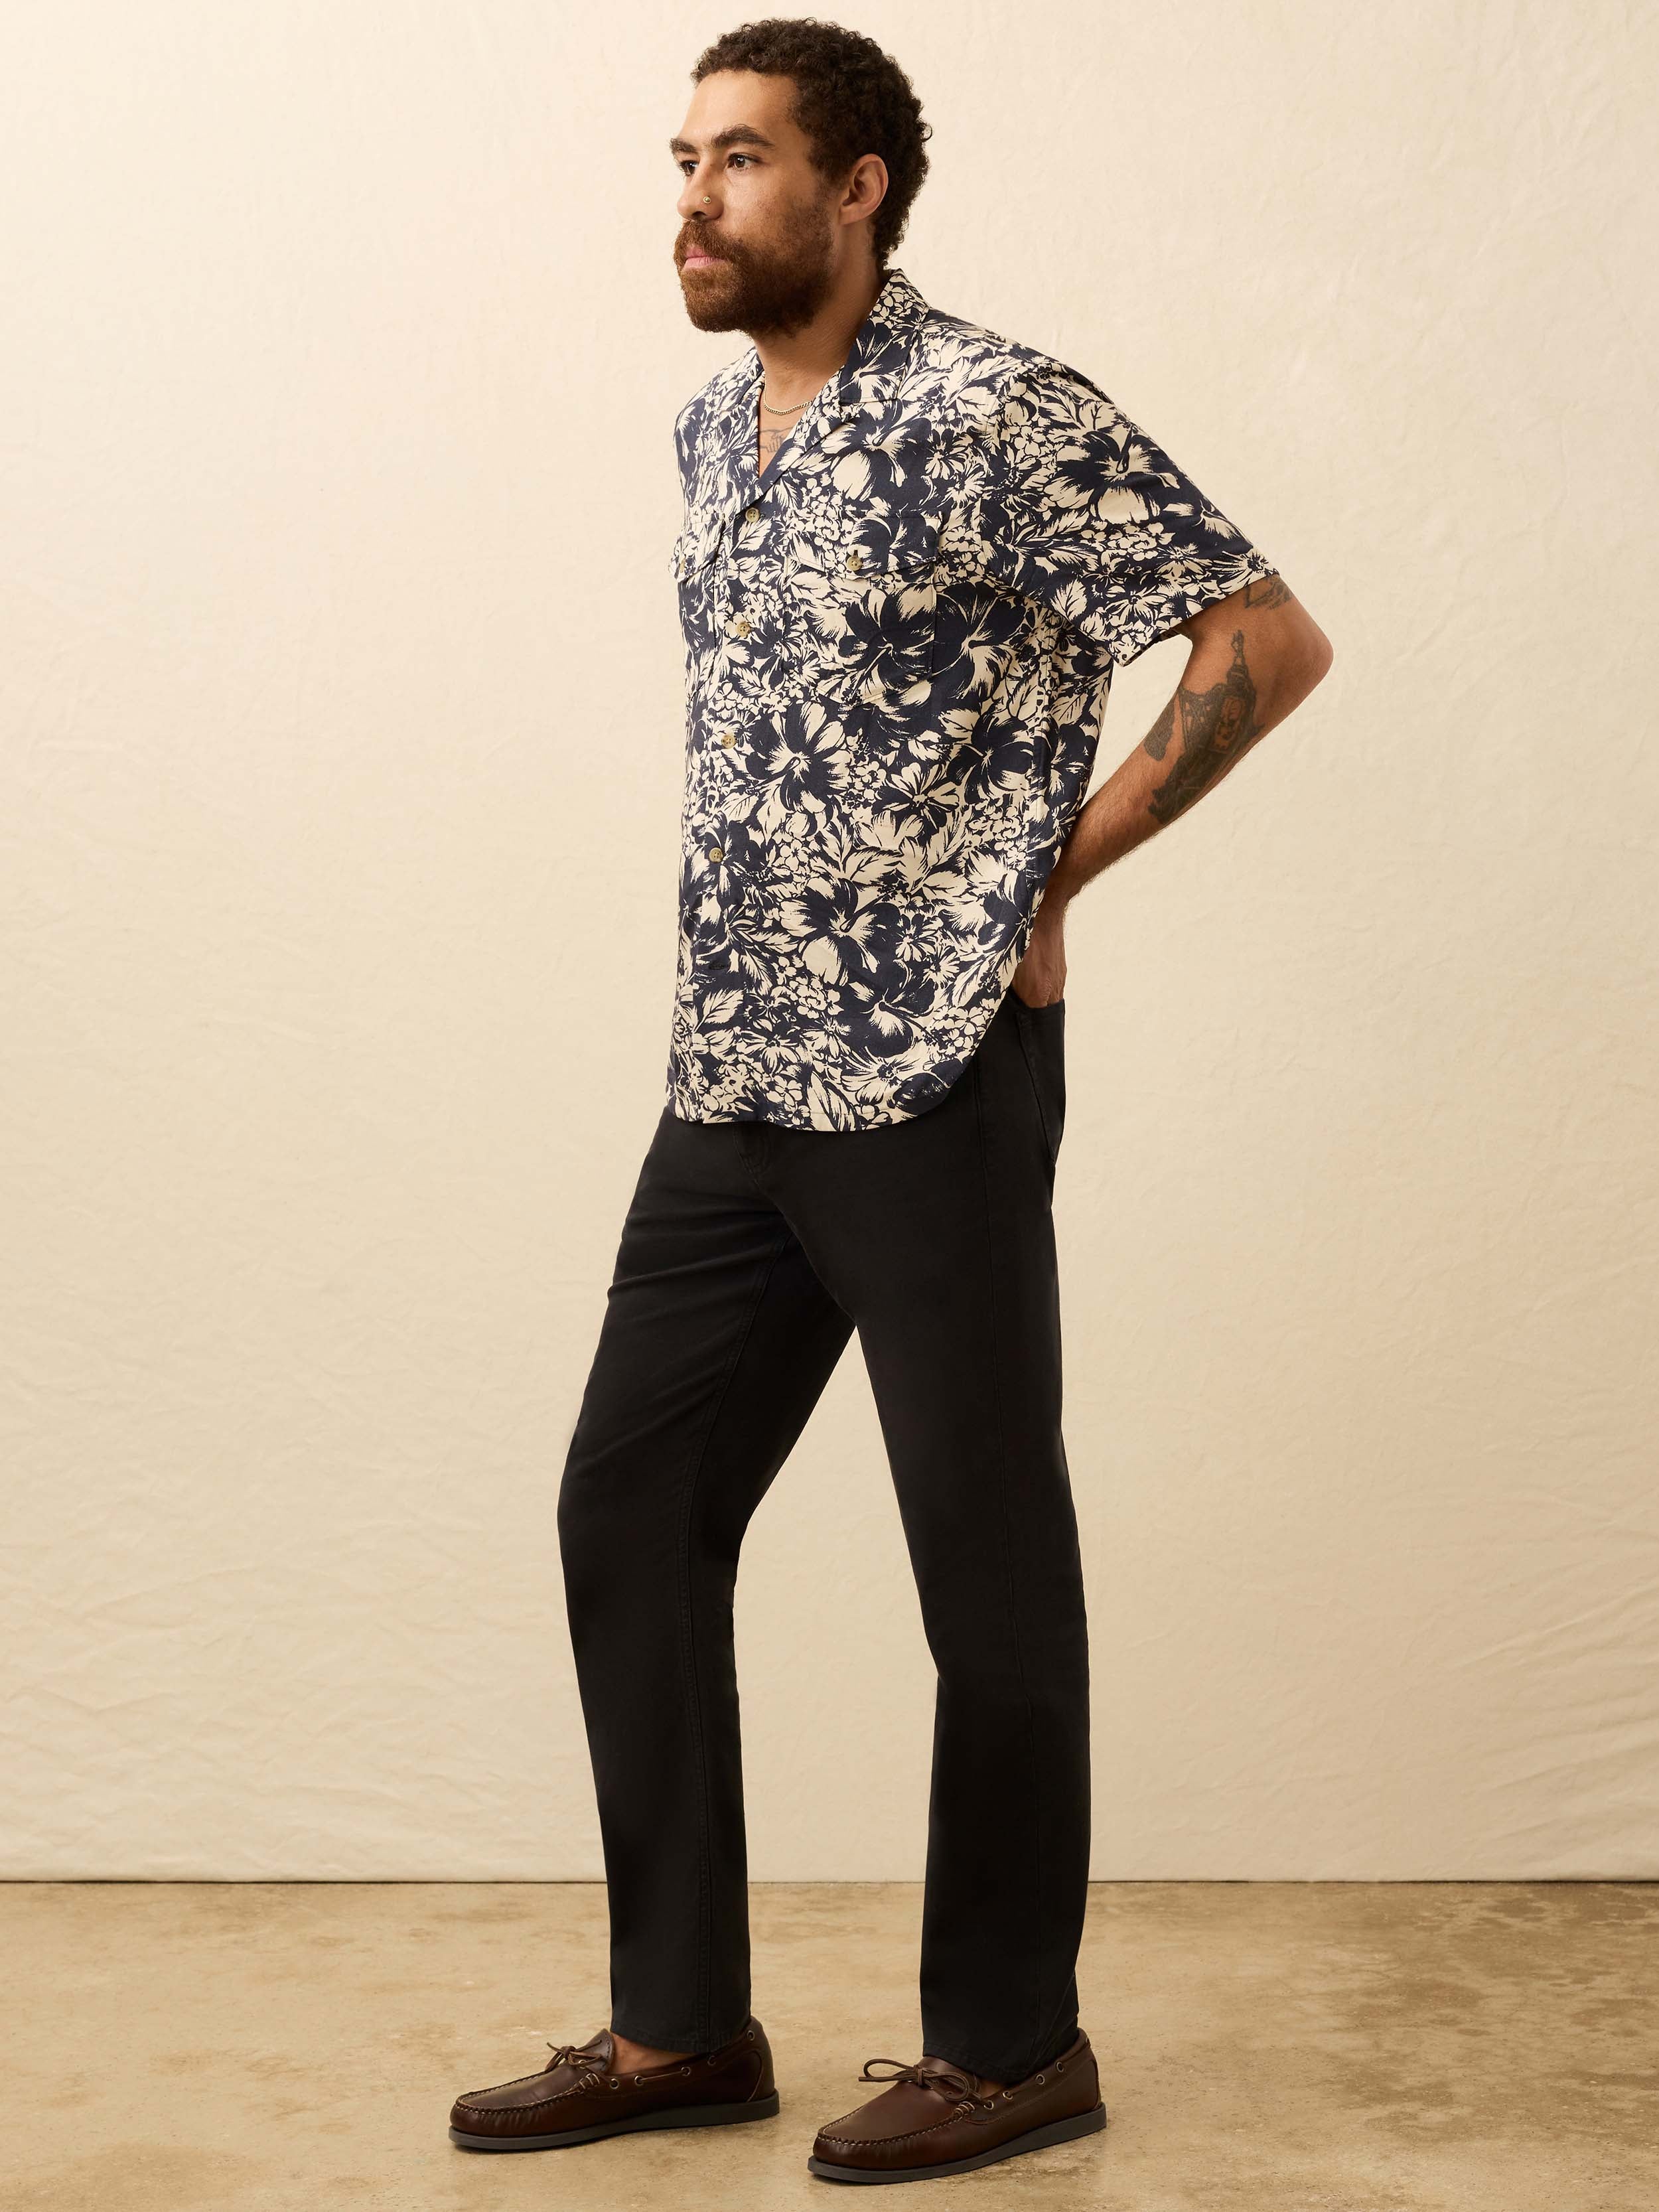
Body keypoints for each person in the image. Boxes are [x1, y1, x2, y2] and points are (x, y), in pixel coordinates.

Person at [449, 17, 1333, 2187]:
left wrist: (1049, 876)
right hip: (729, 1073)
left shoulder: (996, 408)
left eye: (741, 159)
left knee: (983, 1562)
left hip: (930, 1068)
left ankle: (1010, 2044)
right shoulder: (710, 431)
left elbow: (1260, 638)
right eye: (683, 158)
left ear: (853, 189)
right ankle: (677, 2027)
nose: (693, 198)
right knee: (628, 1514)